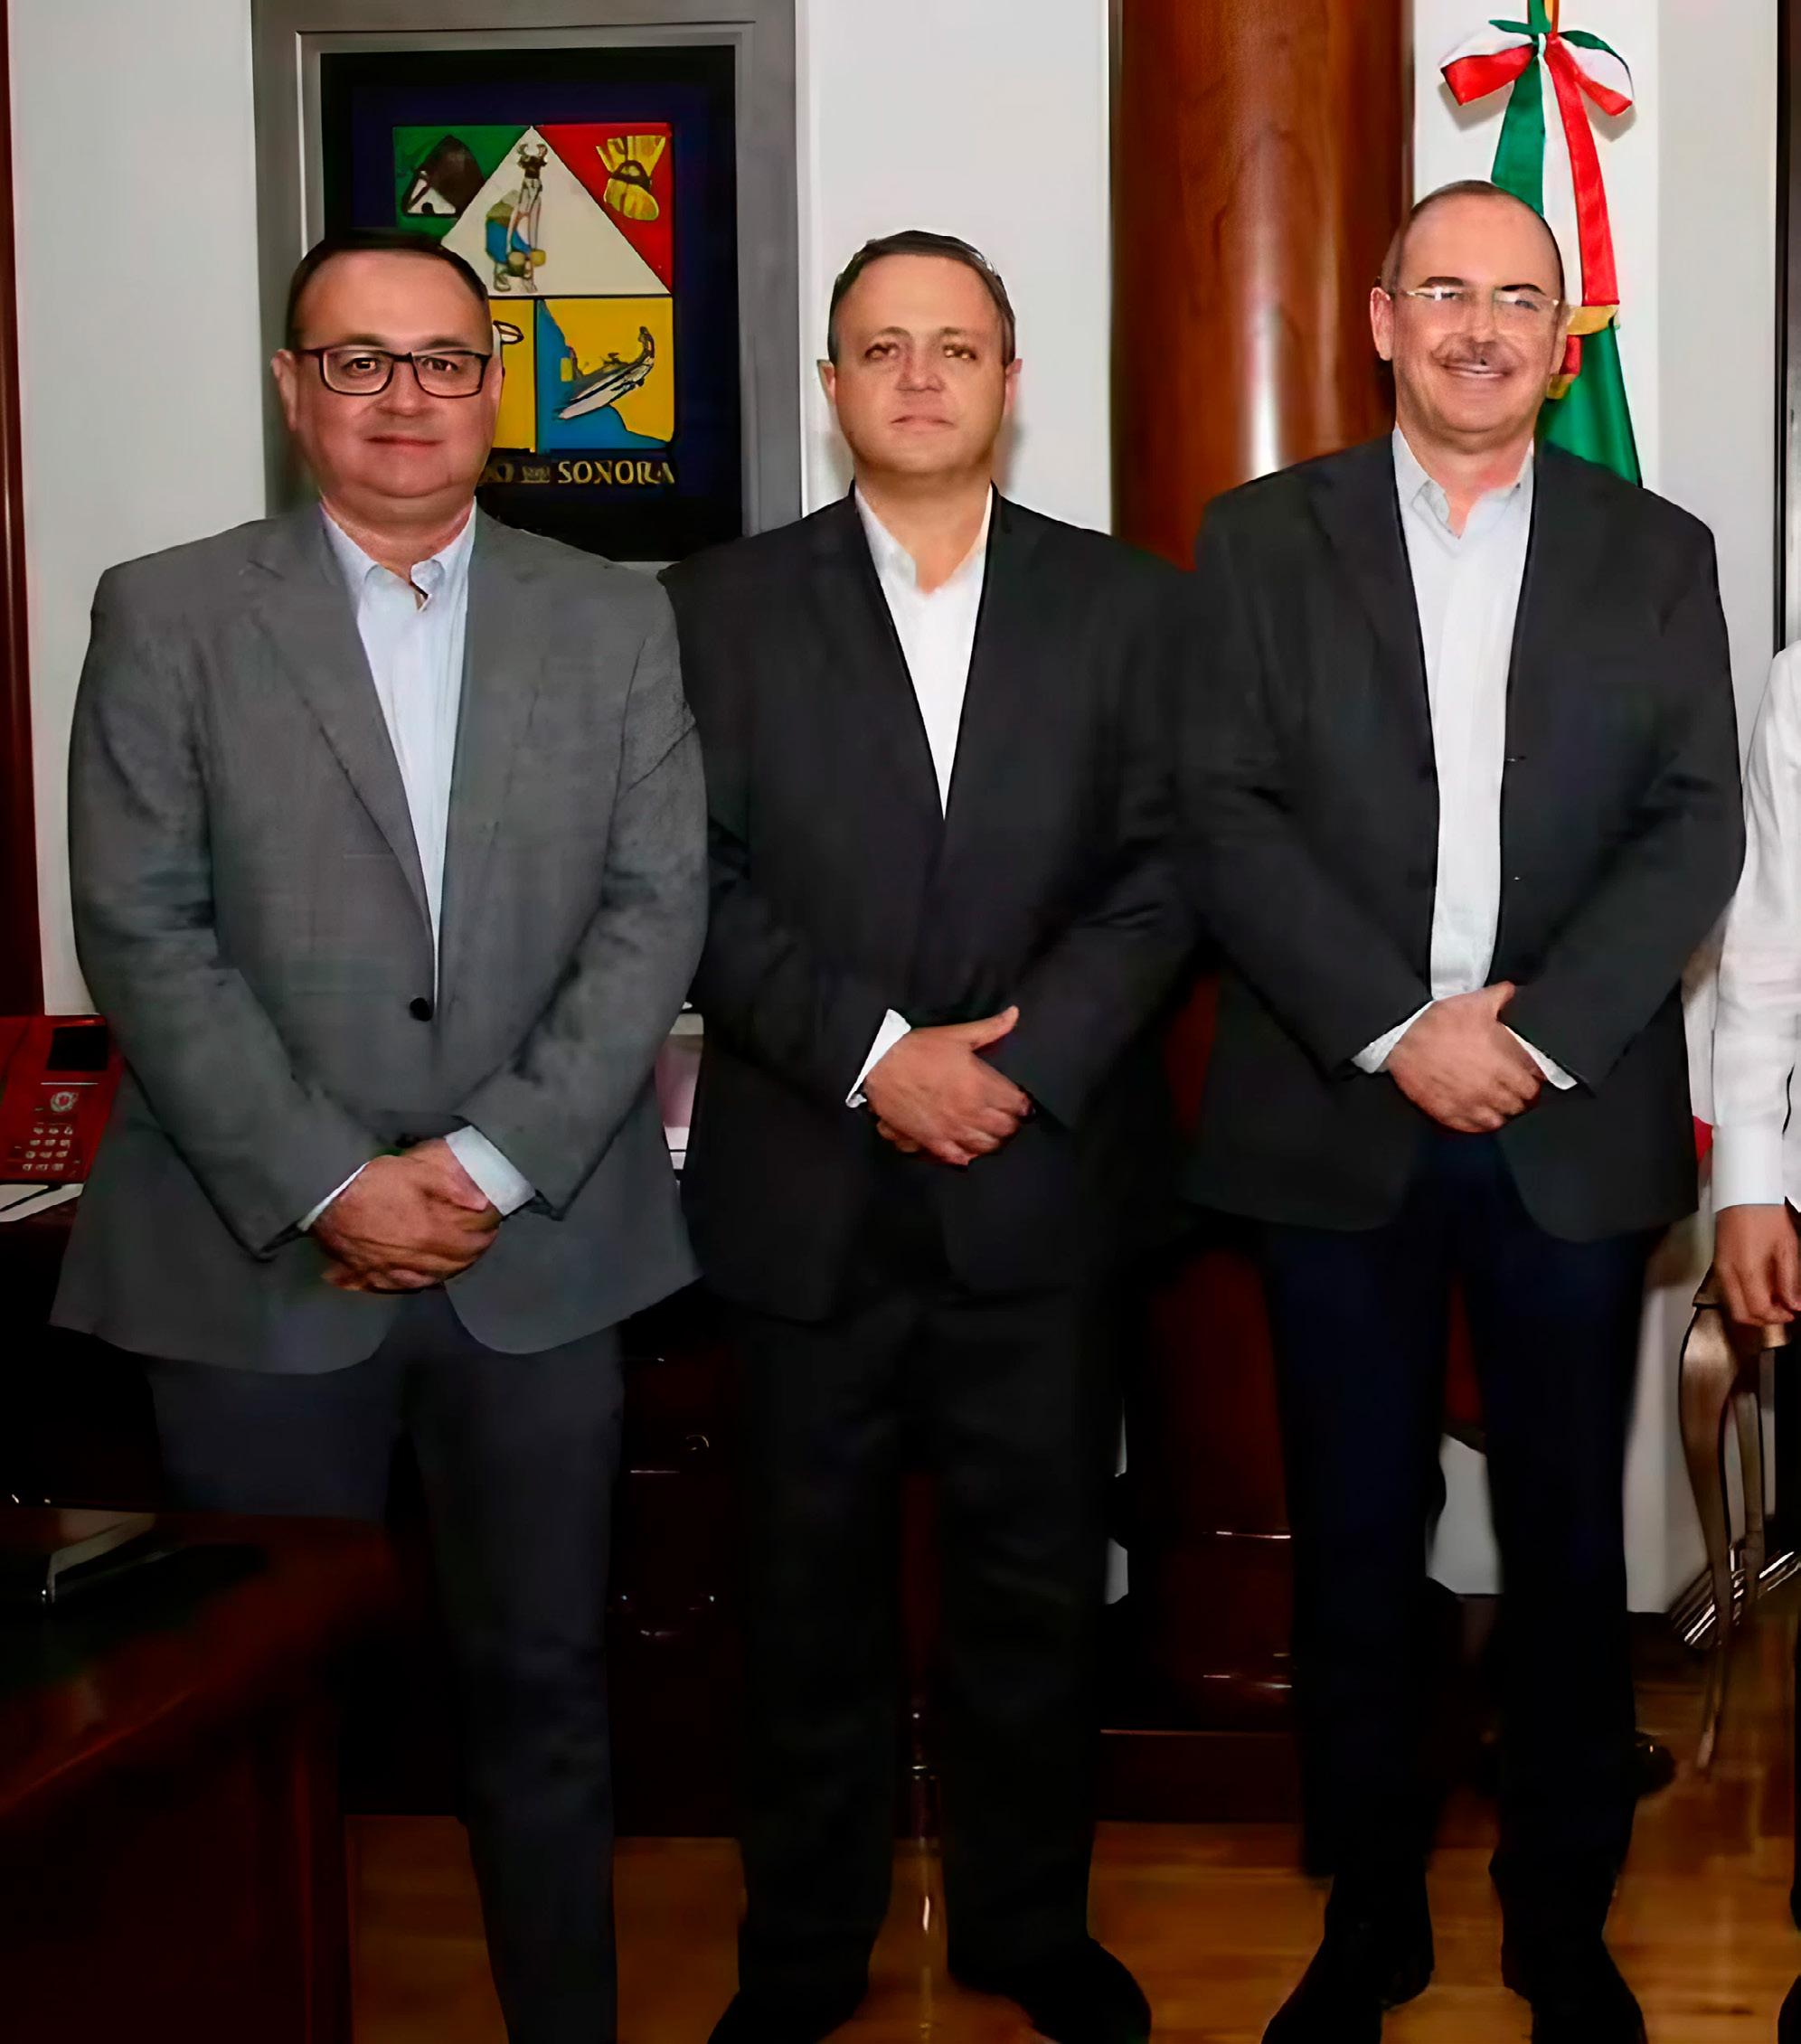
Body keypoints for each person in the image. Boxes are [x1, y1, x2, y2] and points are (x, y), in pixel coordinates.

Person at [52, 226, 705, 2044]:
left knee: (547, 1688)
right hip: (255, 1266)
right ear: (293, 388)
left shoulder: (614, 616)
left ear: (496, 389)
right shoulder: (168, 612)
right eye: (358, 360)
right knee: (245, 1721)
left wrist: (482, 1166)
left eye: (442, 361)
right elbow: (142, 929)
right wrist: (334, 1179)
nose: (403, 398)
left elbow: (654, 914)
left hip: (538, 1257)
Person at [1180, 180, 1742, 2044]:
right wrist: (1390, 1028)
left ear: (1563, 342)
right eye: (1445, 292)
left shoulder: (1656, 549)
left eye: (1517, 300)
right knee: (1355, 1540)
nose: (1480, 328)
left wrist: (1541, 1033)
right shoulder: (1260, 538)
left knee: (1572, 1545)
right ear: (1381, 319)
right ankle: (1371, 1923)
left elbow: (1694, 821)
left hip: (1565, 1115)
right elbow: (1221, 808)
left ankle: (1561, 1925)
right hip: (1333, 1111)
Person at [664, 230, 1189, 2044]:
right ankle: (804, 1951)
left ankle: (1027, 1928)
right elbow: (684, 881)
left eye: (953, 346)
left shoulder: (1129, 607)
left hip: (1042, 1187)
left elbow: (1166, 872)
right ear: (830, 388)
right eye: (880, 347)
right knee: (800, 1599)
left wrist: (1013, 1071)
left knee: (1034, 1592)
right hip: (804, 1189)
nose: (917, 376)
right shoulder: (715, 607)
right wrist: (877, 1057)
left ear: (1009, 382)